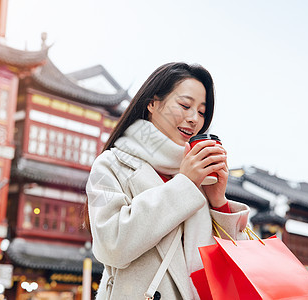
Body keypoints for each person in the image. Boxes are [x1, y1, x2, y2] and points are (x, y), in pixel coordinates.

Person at [85, 62, 250, 299]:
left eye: (202, 112)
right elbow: (112, 246)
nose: (194, 119)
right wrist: (185, 184)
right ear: (153, 103)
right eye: (185, 105)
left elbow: (232, 272)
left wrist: (219, 203)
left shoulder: (202, 177)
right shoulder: (111, 165)